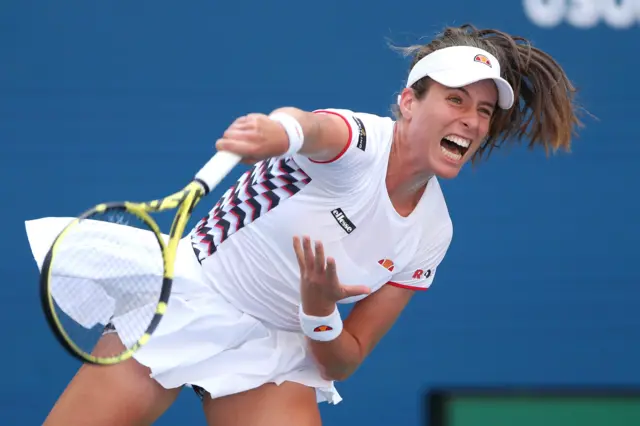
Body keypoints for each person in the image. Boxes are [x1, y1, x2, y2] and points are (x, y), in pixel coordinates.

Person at [25, 24, 582, 426]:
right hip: (189, 296)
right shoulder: (359, 141)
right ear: (408, 103)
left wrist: (319, 312)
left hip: (274, 349)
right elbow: (309, 127)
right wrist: (275, 135)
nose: (471, 118)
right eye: (456, 99)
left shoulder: (433, 232)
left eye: (484, 111)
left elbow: (348, 356)